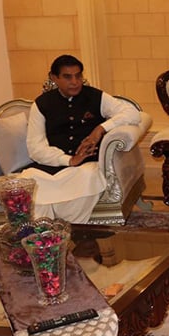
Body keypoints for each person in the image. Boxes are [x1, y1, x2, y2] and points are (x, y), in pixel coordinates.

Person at [21, 54, 141, 223]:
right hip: (54, 164)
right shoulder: (41, 104)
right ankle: (45, 236)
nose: (75, 81)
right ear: (54, 78)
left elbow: (132, 113)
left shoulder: (96, 97)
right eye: (67, 77)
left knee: (88, 177)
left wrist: (100, 128)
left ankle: (73, 230)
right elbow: (36, 148)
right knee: (30, 181)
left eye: (78, 75)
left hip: (87, 164)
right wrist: (68, 160)